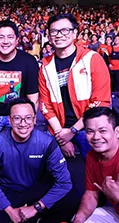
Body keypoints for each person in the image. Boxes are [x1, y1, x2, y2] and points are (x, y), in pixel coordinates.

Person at [0, 98, 77, 223]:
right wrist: (9, 210)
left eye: (28, 118)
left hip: (35, 188)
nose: (23, 123)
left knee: (71, 197)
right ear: (9, 120)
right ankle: (15, 216)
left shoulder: (47, 142)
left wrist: (35, 207)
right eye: (17, 118)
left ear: (34, 119)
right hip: (8, 189)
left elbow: (64, 183)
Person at [39, 13, 111, 158]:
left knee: (99, 172)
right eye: (54, 31)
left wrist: (72, 131)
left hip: (89, 127)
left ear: (75, 33)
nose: (59, 35)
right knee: (49, 173)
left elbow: (100, 103)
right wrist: (61, 135)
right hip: (57, 129)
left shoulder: (92, 59)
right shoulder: (45, 65)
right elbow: (45, 104)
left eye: (64, 30)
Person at [0, 20, 40, 149]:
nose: (5, 41)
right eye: (1, 37)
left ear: (17, 40)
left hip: (18, 115)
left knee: (21, 154)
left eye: (10, 37)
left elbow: (33, 97)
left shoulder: (29, 62)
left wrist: (29, 120)